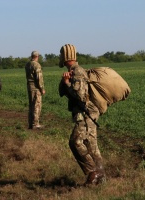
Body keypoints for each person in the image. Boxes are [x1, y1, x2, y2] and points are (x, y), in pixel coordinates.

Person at [58, 43, 106, 185]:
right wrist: (65, 81)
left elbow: (80, 96)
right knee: (92, 146)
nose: (59, 57)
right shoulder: (72, 71)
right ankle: (101, 178)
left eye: (61, 55)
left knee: (75, 142)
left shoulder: (77, 71)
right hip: (87, 112)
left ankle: (93, 172)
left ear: (66, 56)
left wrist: (67, 83)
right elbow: (62, 92)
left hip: (86, 113)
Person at [25, 50, 45, 129]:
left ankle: (31, 123)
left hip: (29, 86)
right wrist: (42, 88)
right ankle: (35, 124)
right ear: (37, 56)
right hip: (35, 87)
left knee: (31, 105)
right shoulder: (36, 65)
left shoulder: (28, 64)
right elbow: (39, 78)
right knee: (37, 105)